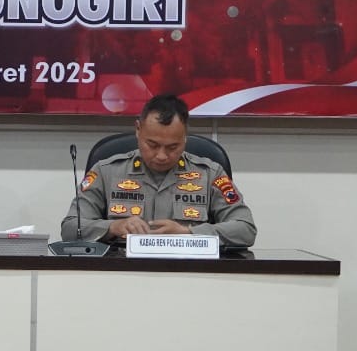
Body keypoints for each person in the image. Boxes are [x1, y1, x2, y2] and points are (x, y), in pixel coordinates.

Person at [60, 94, 255, 247]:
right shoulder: (106, 171)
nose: (162, 156)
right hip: (121, 271)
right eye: (152, 145)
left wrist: (188, 233)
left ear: (185, 137)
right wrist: (113, 227)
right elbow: (70, 228)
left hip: (190, 272)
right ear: (138, 130)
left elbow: (245, 229)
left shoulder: (210, 174)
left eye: (172, 147)